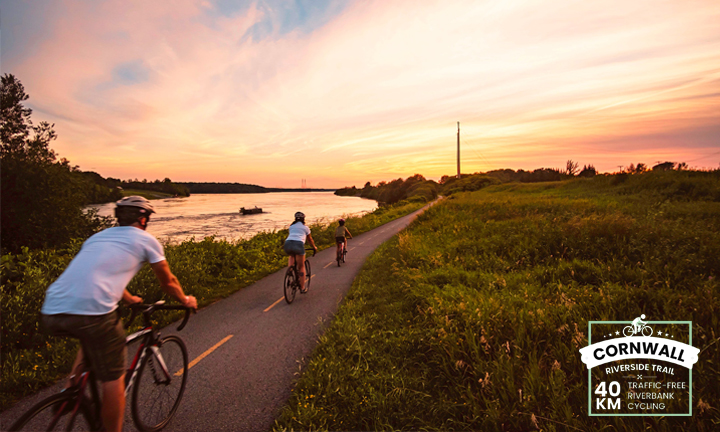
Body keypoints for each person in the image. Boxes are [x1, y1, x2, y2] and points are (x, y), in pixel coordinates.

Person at [40, 196, 198, 432]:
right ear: (143, 219)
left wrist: (129, 298)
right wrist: (186, 300)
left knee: (91, 337)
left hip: (51, 309)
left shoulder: (97, 237)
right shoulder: (146, 240)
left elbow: (99, 272)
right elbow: (168, 281)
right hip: (93, 313)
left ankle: (71, 390)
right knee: (113, 379)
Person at [283, 211, 317, 292]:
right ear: (303, 219)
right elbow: (310, 239)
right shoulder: (306, 228)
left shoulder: (291, 226)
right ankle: (302, 288)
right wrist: (314, 247)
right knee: (301, 266)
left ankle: (290, 270)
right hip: (298, 244)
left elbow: (293, 236)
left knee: (291, 255)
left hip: (287, 243)